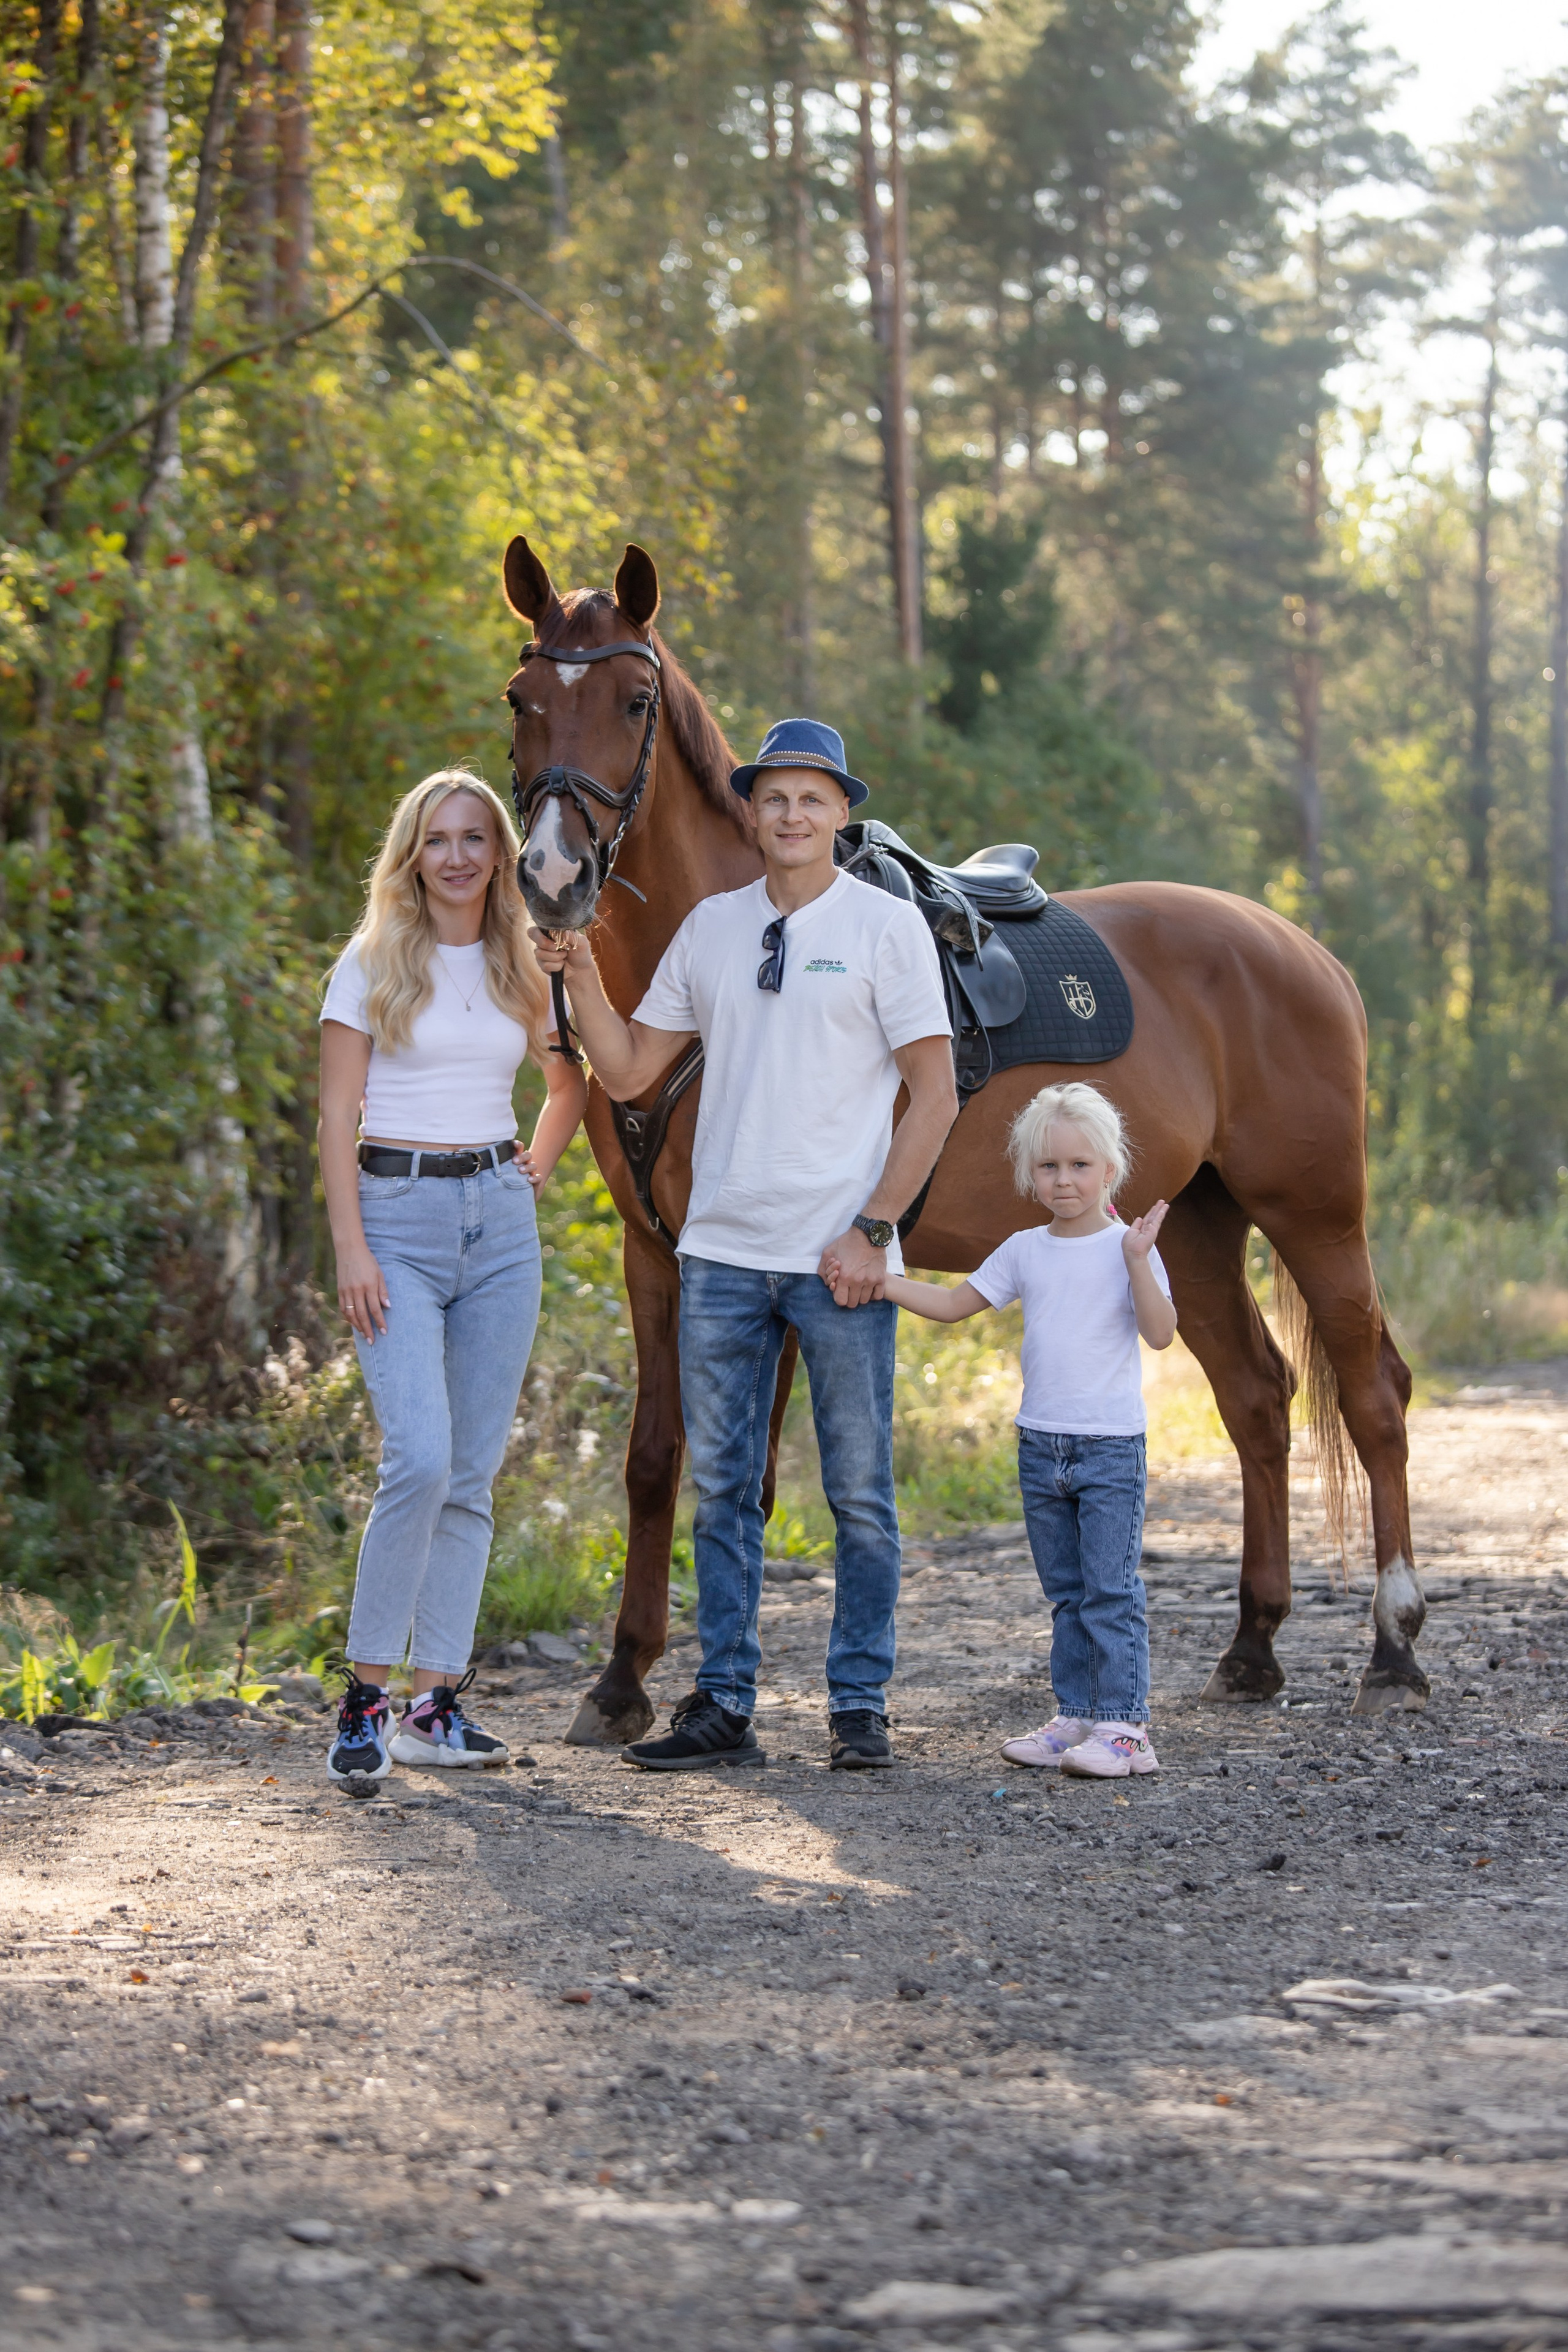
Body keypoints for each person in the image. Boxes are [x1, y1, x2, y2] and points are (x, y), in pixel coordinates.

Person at [533, 717, 957, 1771]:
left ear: (841, 813)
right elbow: (629, 1071)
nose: (791, 815)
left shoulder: (885, 927)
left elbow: (937, 1094)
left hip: (840, 1265)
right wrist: (581, 972)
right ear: (750, 811)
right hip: (720, 1256)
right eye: (773, 798)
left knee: (860, 1492)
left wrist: (875, 1232)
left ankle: (859, 1704)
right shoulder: (712, 929)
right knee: (722, 1490)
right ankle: (723, 1701)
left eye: (812, 799)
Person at [318, 767, 587, 1785]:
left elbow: (568, 1079)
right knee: (419, 1460)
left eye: (479, 837)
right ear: (413, 853)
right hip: (394, 1219)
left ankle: (435, 1707)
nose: (462, 855)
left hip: (500, 1225)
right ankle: (364, 1701)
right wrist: (351, 1248)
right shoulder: (372, 962)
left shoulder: (525, 963)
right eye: (442, 838)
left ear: (502, 855)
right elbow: (334, 1117)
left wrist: (540, 1164)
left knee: (470, 1476)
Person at [876, 1081, 1176, 1780]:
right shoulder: (1024, 1250)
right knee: (1066, 1592)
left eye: (1079, 1165)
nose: (1063, 1180)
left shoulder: (1127, 1247)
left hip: (1107, 1446)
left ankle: (1125, 1729)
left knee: (1110, 1589)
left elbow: (1160, 1334)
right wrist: (885, 1281)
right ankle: (1075, 1717)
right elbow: (954, 1304)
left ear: (1109, 1169)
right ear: (1029, 1175)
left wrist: (1137, 1260)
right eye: (1048, 1167)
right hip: (1040, 1444)